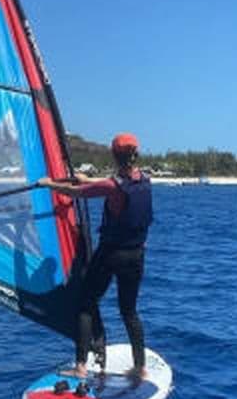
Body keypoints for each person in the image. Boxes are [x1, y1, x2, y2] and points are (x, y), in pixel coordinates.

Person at [38, 133, 153, 384]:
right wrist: (88, 179)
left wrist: (49, 184)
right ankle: (140, 368)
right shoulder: (145, 180)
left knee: (86, 303)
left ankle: (80, 366)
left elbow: (75, 192)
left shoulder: (111, 186)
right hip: (136, 256)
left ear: (114, 155)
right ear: (136, 154)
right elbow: (112, 184)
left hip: (111, 254)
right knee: (129, 311)